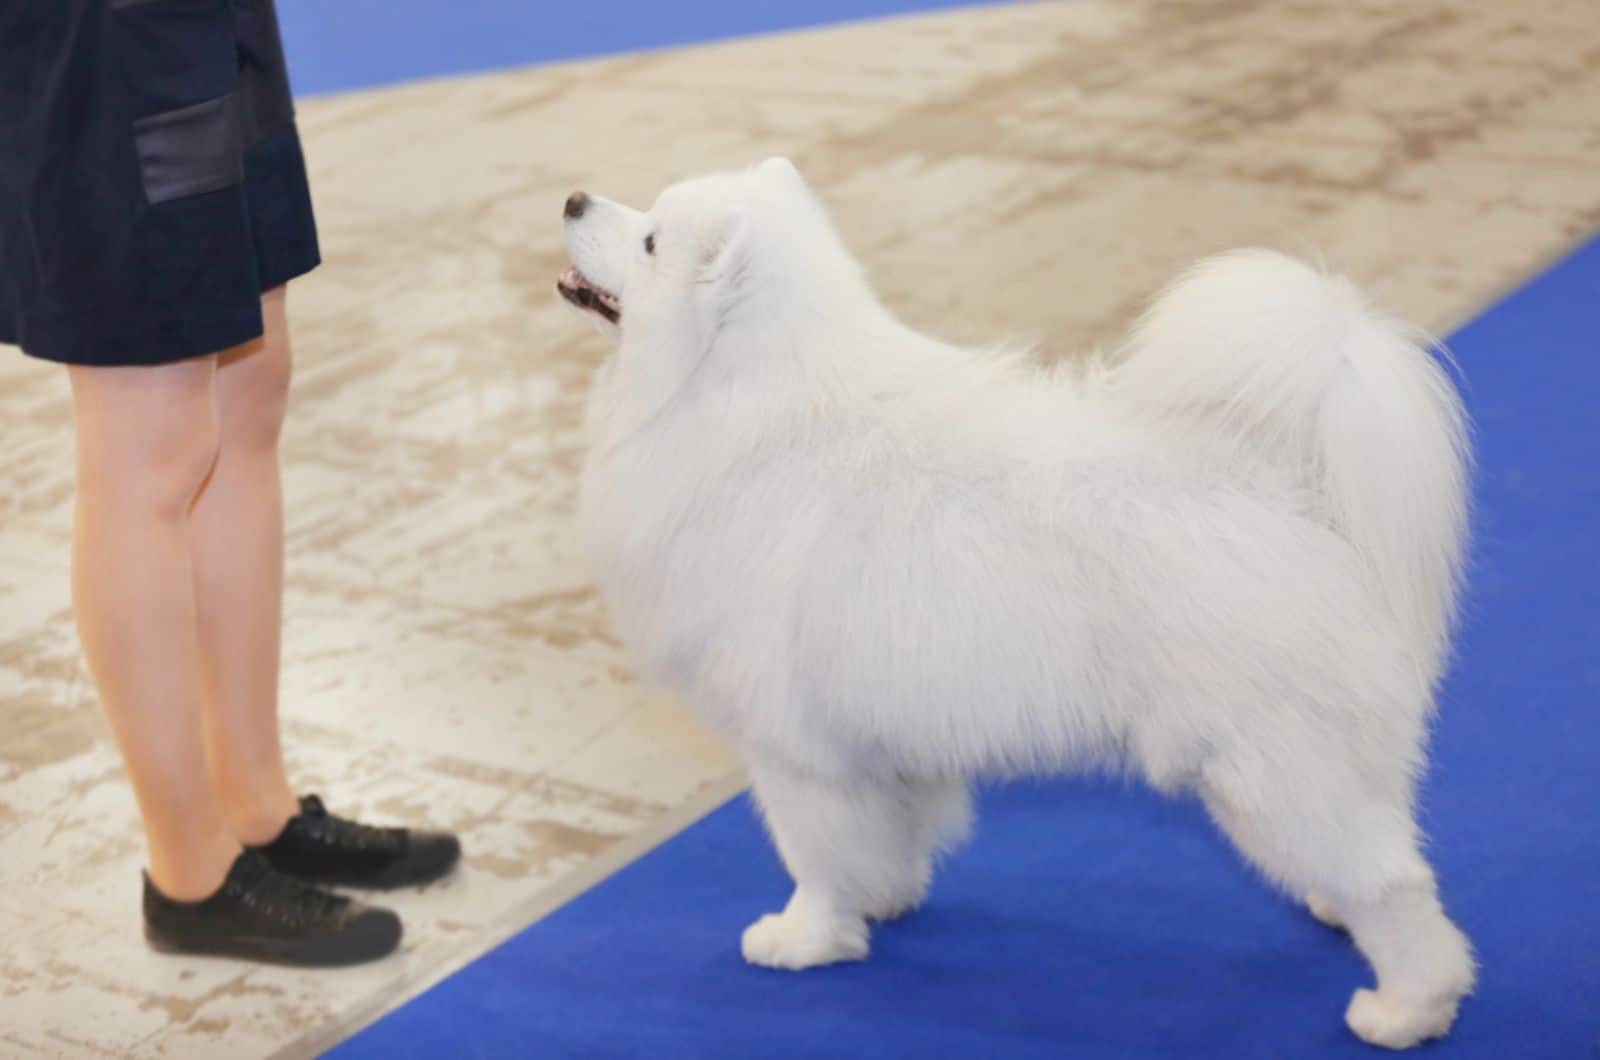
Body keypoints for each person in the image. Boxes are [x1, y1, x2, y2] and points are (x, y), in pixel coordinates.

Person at [0, 0, 459, 966]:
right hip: (103, 33)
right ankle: (190, 873)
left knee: (251, 383)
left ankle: (254, 805)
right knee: (150, 436)